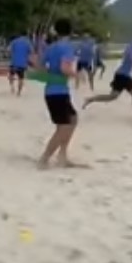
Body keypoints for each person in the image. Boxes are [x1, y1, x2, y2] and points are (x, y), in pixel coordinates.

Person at [37, 18, 85, 169]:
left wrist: (52, 73)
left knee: (72, 119)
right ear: (71, 31)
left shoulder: (51, 48)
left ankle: (62, 156)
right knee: (64, 126)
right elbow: (65, 68)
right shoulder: (66, 48)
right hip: (58, 92)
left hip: (52, 90)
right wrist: (76, 74)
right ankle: (44, 159)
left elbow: (40, 67)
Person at [82, 30, 132, 123]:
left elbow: (126, 55)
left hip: (121, 74)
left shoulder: (131, 45)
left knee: (112, 96)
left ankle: (90, 99)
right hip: (124, 75)